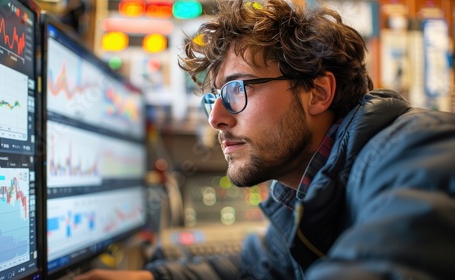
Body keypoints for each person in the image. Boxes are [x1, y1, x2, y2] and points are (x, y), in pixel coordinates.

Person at [75, 0, 455, 279]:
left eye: (237, 90)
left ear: (318, 93)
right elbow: (255, 266)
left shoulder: (412, 151)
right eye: (213, 98)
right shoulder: (303, 191)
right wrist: (149, 278)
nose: (216, 118)